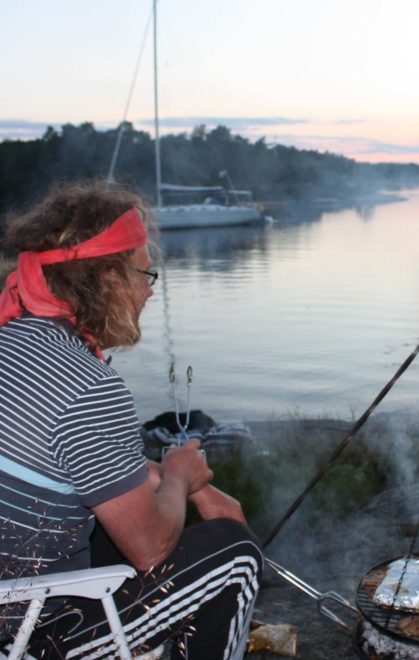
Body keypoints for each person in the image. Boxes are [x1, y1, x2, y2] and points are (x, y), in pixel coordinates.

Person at [0, 181, 262, 659]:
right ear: (107, 279)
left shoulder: (16, 342)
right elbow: (150, 547)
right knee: (234, 554)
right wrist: (181, 479)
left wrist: (177, 479)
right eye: (144, 272)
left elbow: (68, 460)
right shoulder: (85, 383)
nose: (149, 289)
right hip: (27, 633)